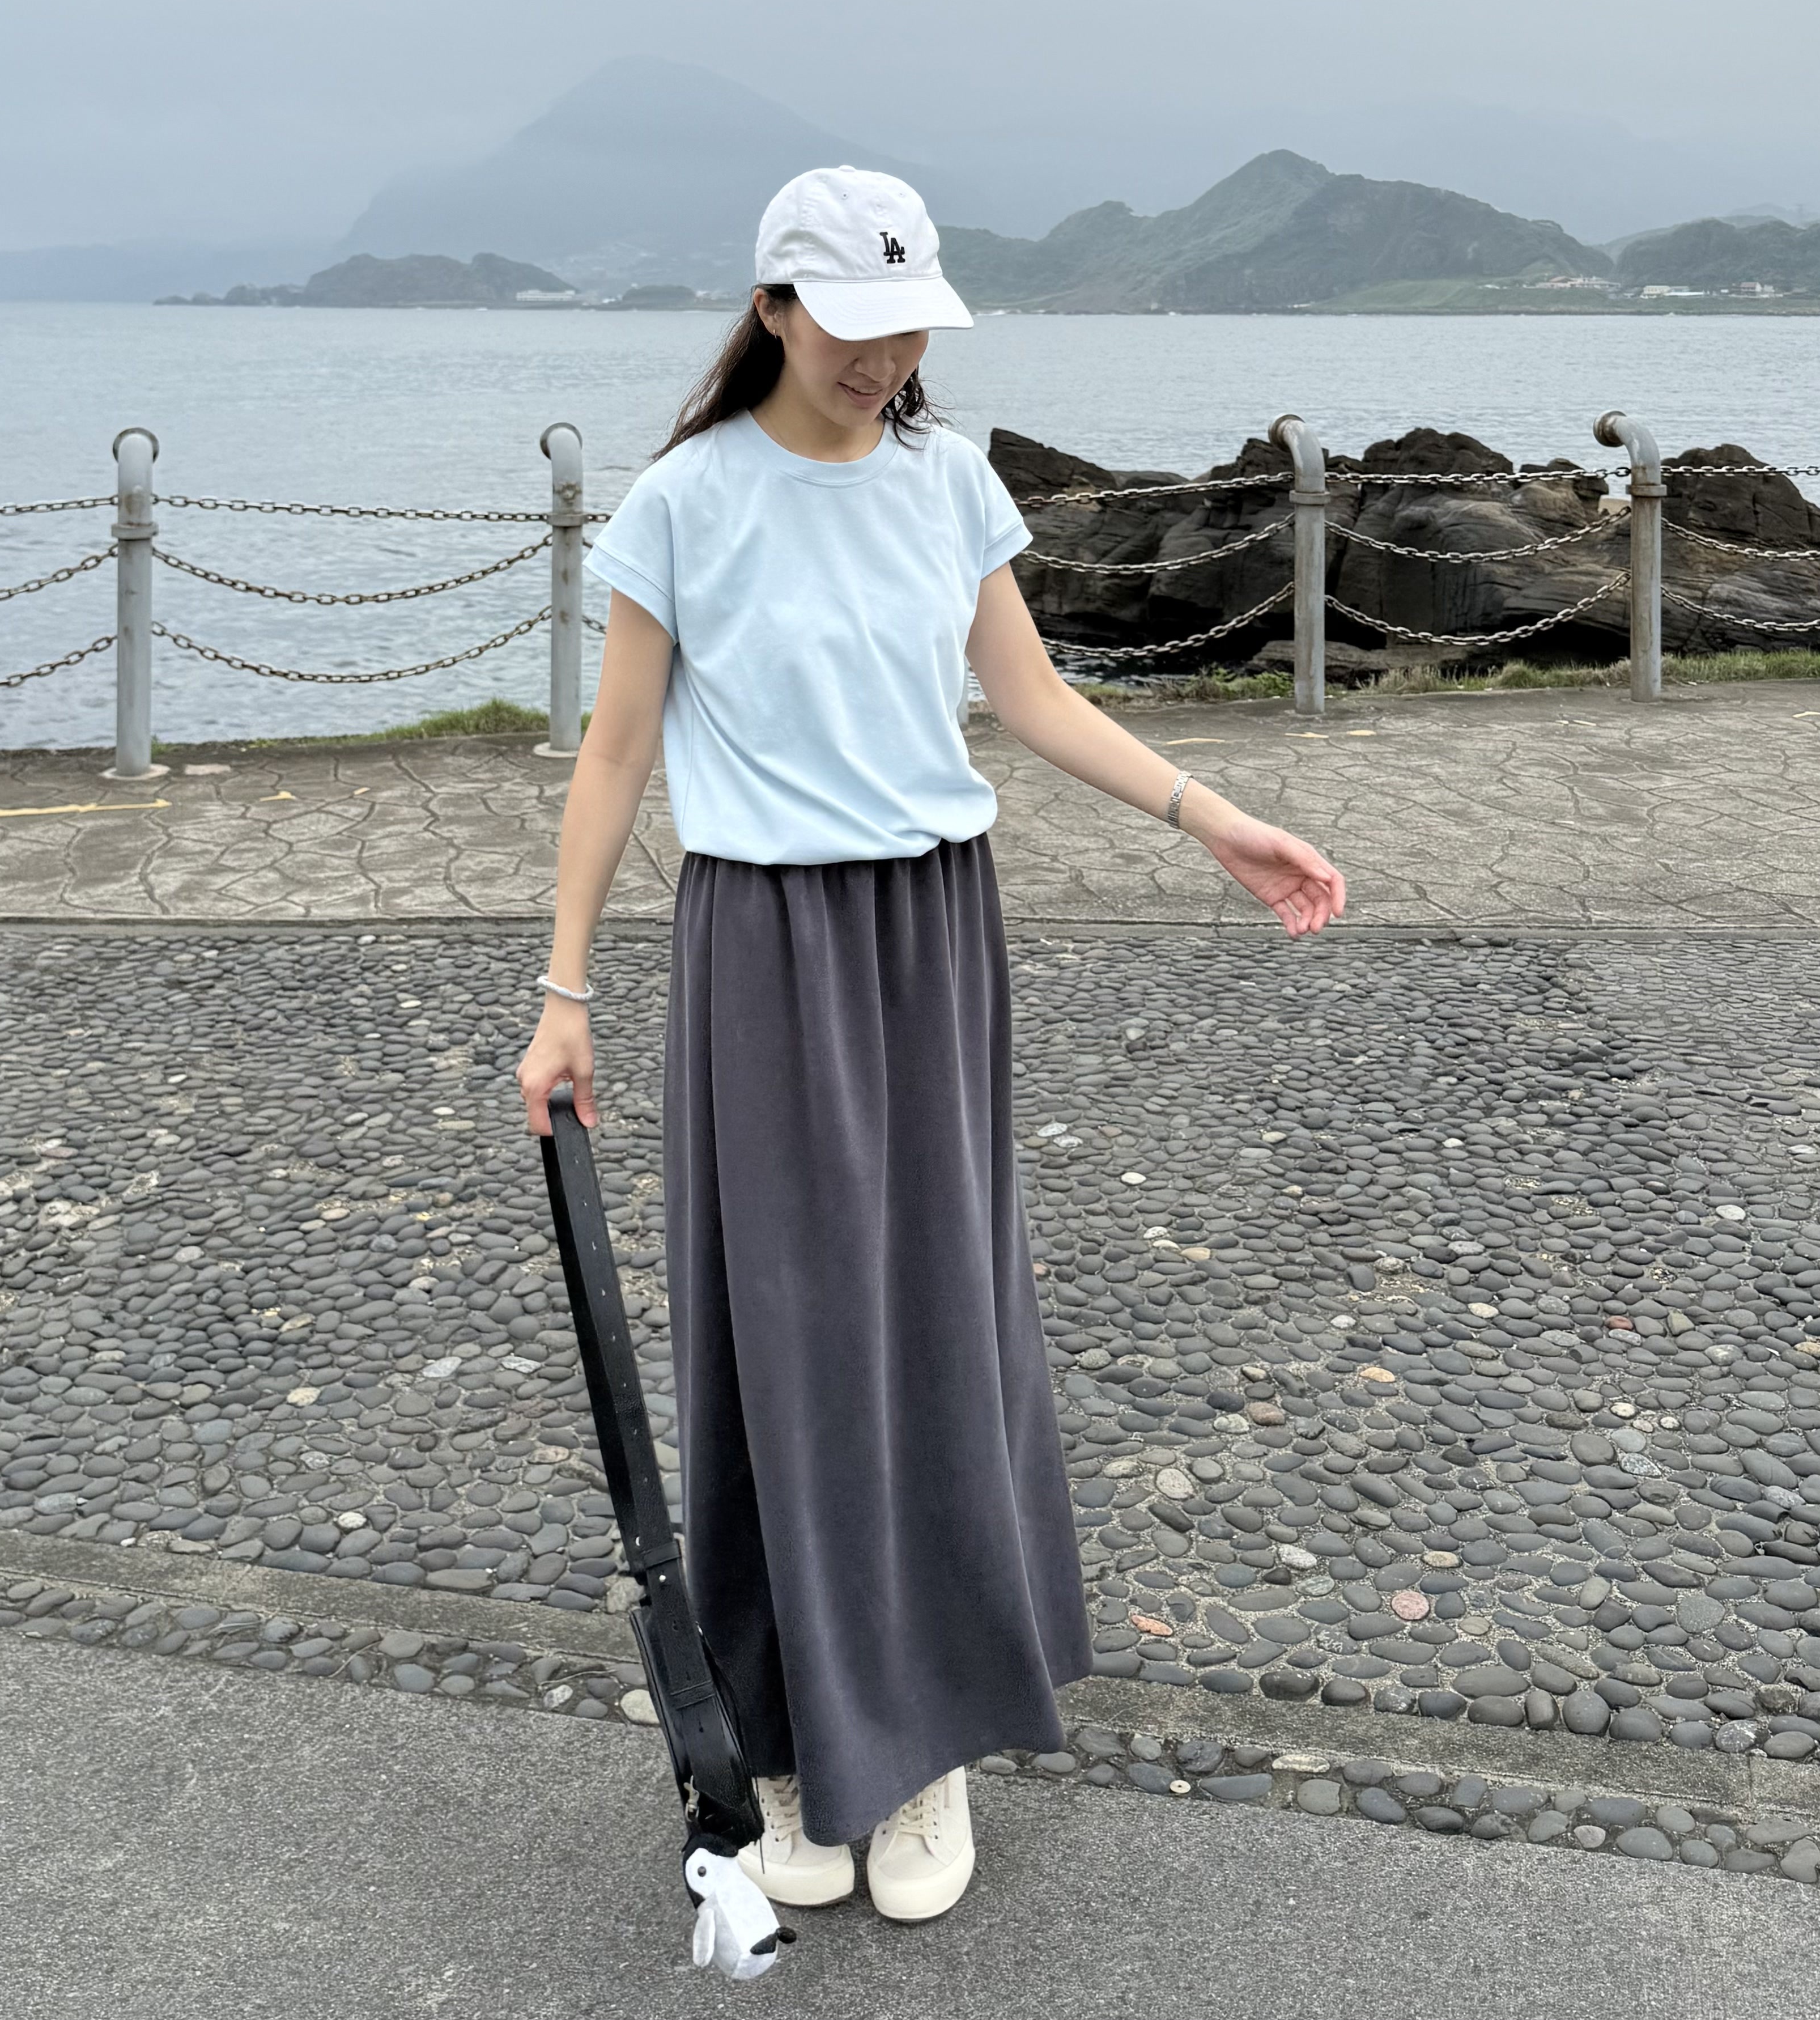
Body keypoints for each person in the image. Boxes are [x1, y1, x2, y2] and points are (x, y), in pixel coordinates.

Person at [516, 163, 1343, 1924]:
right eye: (854, 323)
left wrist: (1215, 818)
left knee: (936, 1316)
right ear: (773, 308)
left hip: (931, 935)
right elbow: (615, 753)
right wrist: (563, 992)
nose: (885, 357)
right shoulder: (683, 502)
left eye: (909, 328)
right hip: (760, 943)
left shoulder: (947, 481)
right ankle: (797, 1736)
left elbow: (1028, 698)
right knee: (780, 1339)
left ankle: (927, 1737)